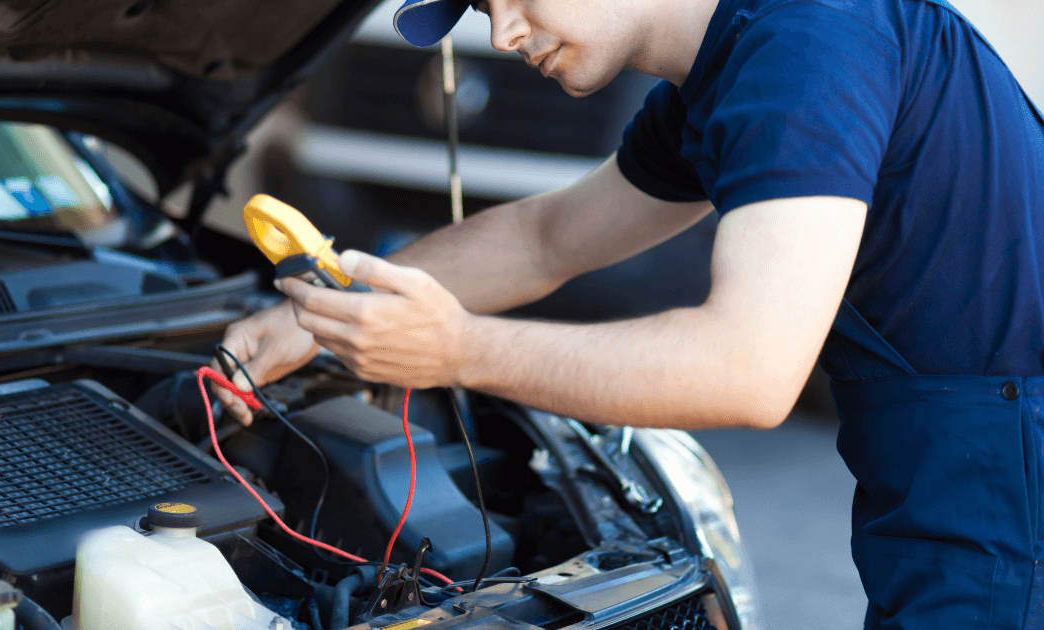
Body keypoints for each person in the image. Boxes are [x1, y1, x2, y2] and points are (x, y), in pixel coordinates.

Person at [214, 0, 1044, 626]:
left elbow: (750, 370)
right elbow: (546, 239)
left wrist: (455, 350)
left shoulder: (807, 43)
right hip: (955, 467)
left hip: (1008, 480)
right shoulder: (729, 71)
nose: (501, 33)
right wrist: (317, 315)